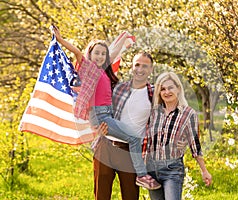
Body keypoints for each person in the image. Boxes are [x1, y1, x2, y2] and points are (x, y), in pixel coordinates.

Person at [52, 27, 161, 191]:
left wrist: (122, 38)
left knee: (132, 138)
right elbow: (76, 52)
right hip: (100, 115)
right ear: (90, 54)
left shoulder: (102, 71)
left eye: (103, 54)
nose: (100, 57)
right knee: (133, 138)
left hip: (106, 113)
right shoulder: (88, 68)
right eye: (97, 53)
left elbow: (113, 53)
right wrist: (60, 40)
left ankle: (140, 174)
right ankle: (141, 176)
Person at [93, 52, 155, 200]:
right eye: (137, 65)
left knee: (131, 196)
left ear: (151, 69)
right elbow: (100, 109)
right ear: (132, 67)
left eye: (145, 66)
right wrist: (97, 128)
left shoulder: (154, 93)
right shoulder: (117, 88)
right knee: (101, 195)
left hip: (131, 152)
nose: (140, 69)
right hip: (106, 145)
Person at [144, 72, 212, 200]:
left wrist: (204, 170)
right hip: (152, 169)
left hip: (172, 170)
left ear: (178, 89)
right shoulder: (154, 112)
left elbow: (194, 144)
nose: (167, 92)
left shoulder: (188, 113)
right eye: (163, 89)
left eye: (170, 88)